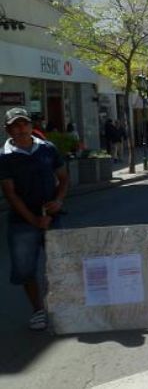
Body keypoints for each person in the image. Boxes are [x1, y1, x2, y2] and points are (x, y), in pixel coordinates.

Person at [0, 107, 68, 331]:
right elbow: (10, 194)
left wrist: (58, 201)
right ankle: (38, 309)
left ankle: (64, 305)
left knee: (61, 262)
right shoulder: (4, 157)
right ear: (8, 130)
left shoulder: (47, 148)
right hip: (22, 221)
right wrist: (34, 220)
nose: (21, 129)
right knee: (25, 269)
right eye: (15, 126)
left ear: (31, 126)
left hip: (52, 217)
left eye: (24, 124)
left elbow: (63, 178)